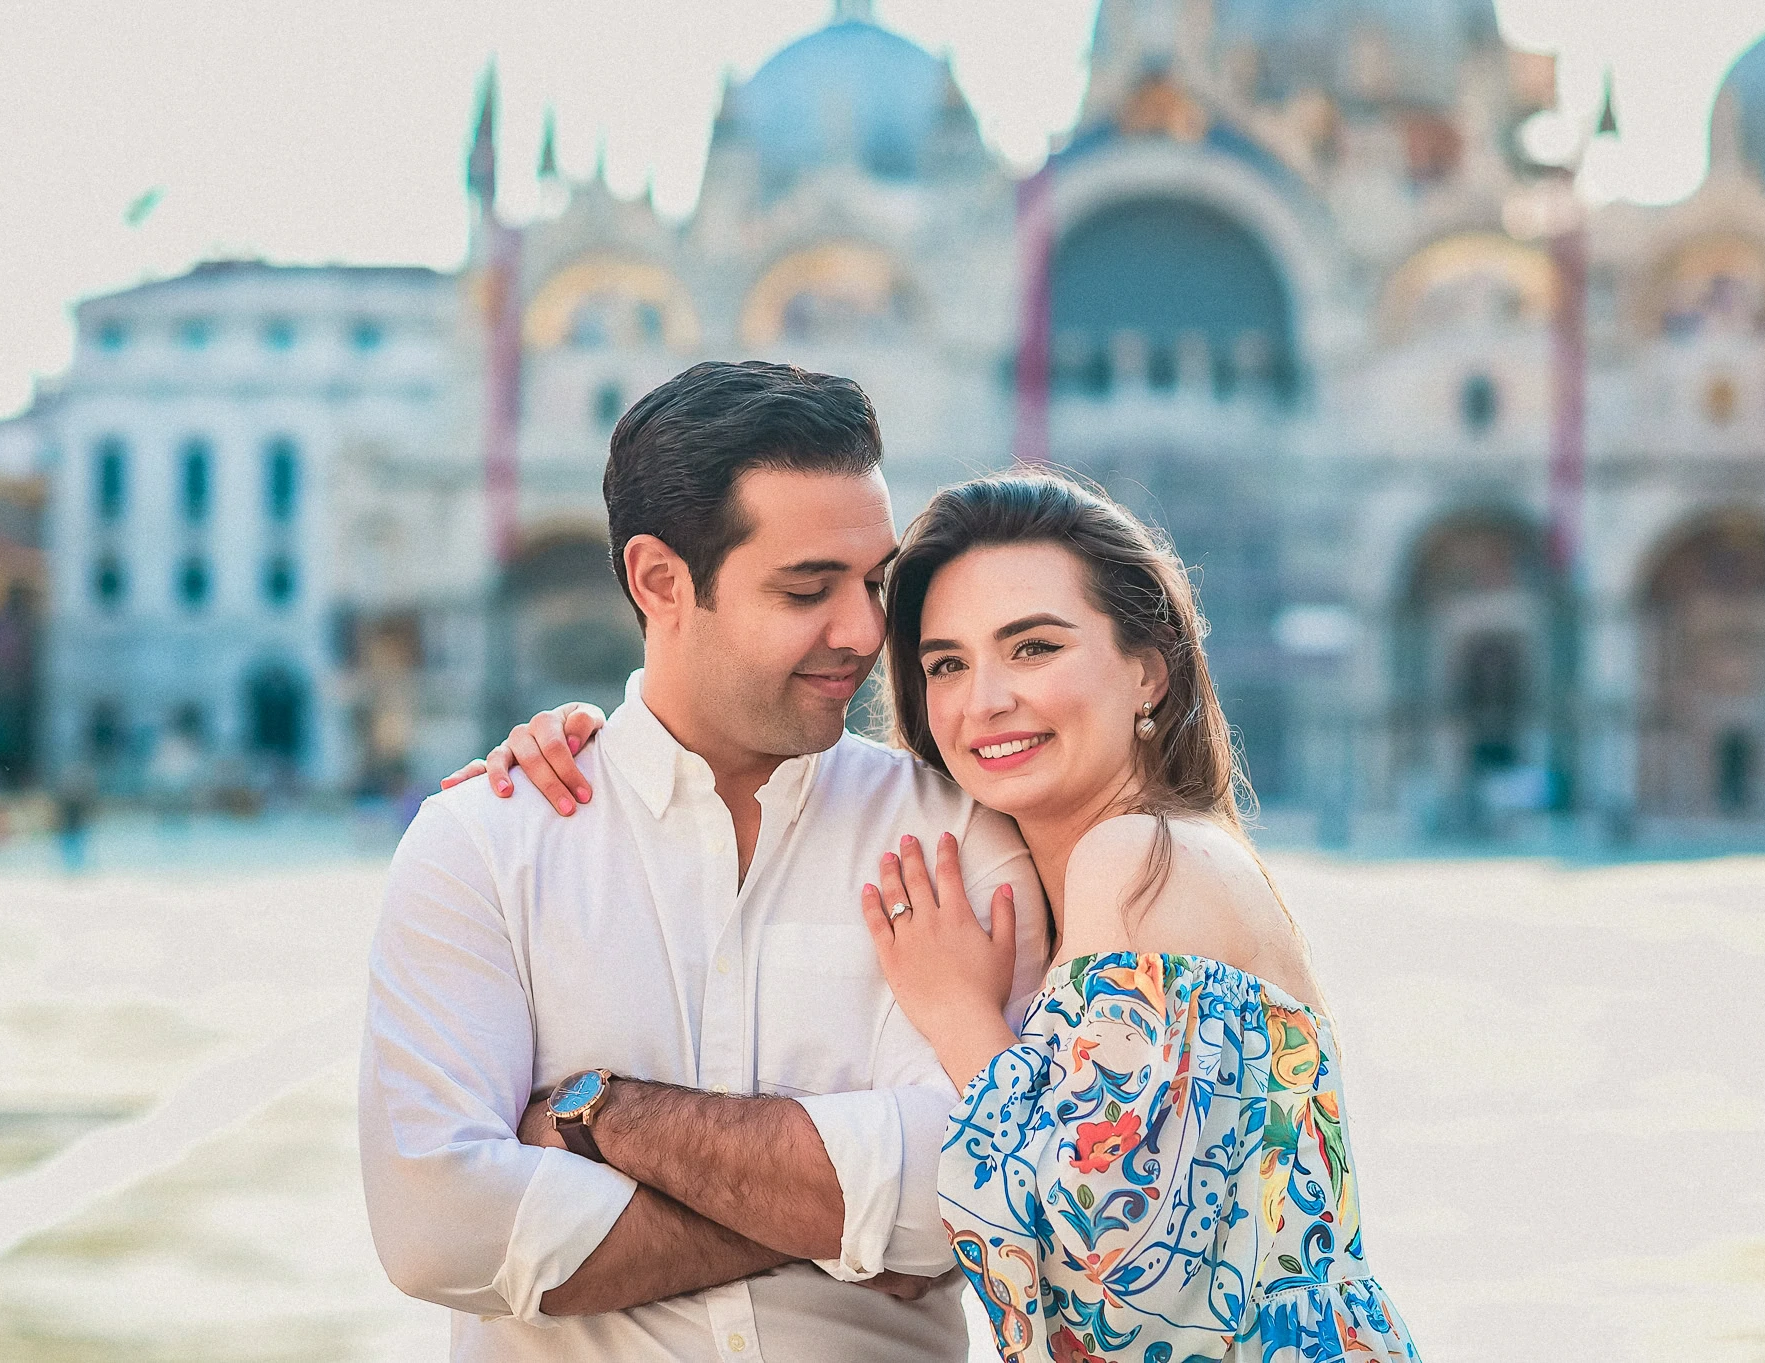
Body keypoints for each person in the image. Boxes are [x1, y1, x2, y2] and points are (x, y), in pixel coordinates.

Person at [466, 473, 1420, 1360]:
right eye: (946, 663)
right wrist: (599, 759)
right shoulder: (1088, 879)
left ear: (1150, 672)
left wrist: (962, 1018)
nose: (985, 700)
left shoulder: (1136, 862)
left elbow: (1116, 1265)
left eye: (1035, 646)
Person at [360, 360, 1051, 1363]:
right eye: (807, 589)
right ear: (658, 580)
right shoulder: (485, 842)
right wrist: (832, 1215)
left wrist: (605, 1119)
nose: (862, 633)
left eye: (873, 582)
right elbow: (436, 1226)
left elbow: (967, 1198)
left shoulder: (961, 833)